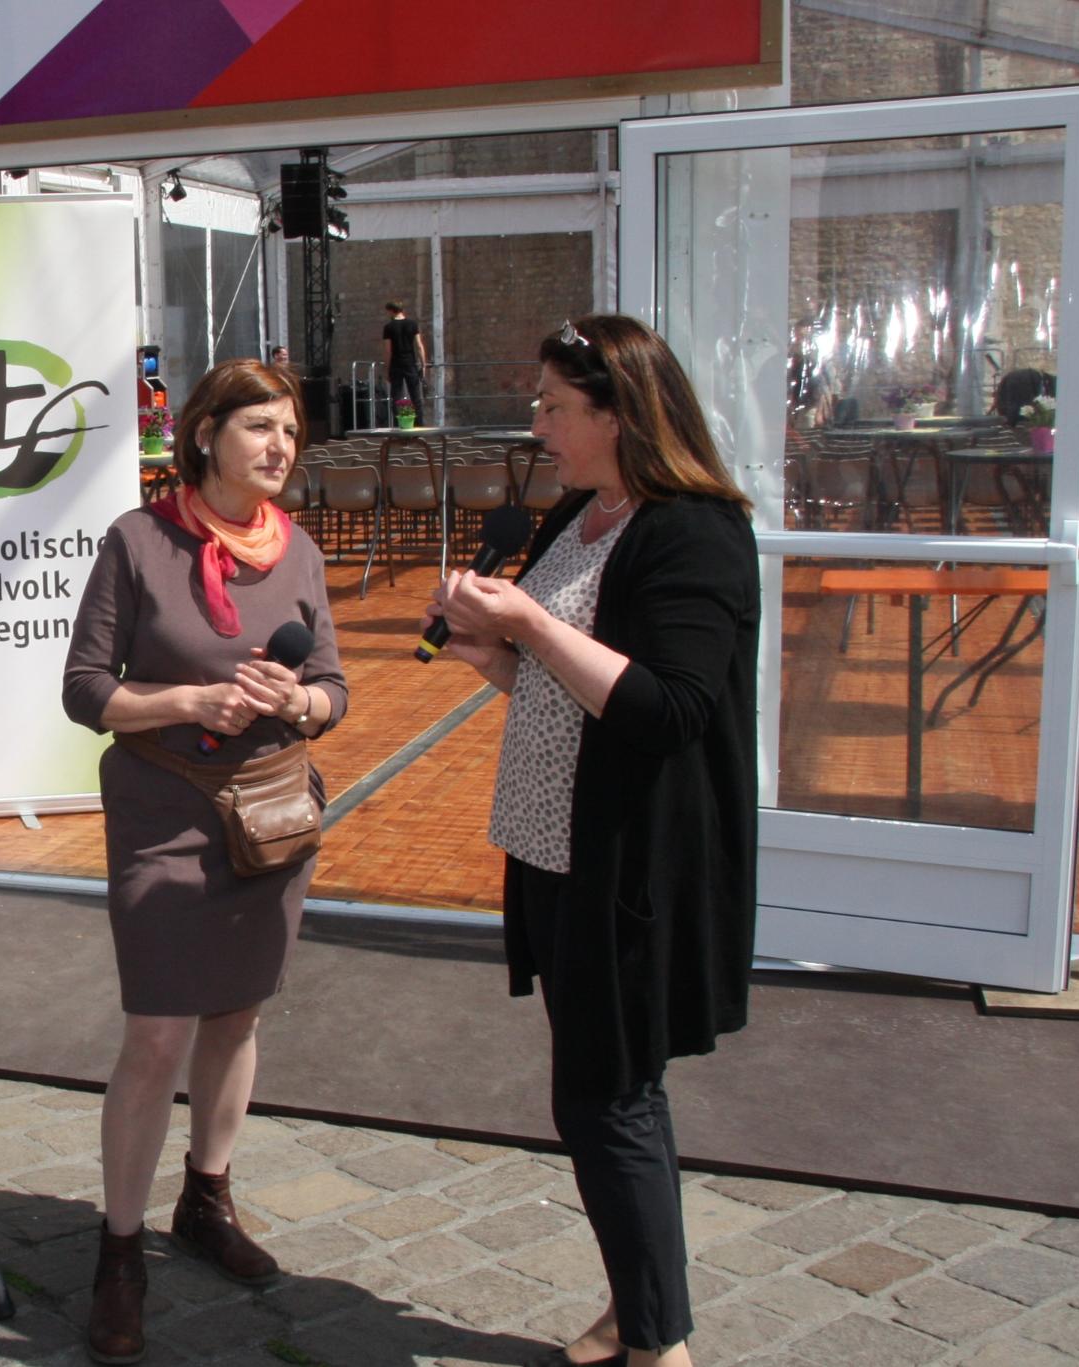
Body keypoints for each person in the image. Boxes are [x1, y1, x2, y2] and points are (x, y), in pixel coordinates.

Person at [425, 315, 758, 1367]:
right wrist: (493, 651)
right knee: (608, 1090)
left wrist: (527, 621)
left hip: (631, 862)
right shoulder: (578, 512)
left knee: (607, 1095)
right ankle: (636, 1309)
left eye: (555, 406)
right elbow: (564, 693)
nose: (537, 423)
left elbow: (667, 709)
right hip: (554, 846)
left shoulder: (693, 530)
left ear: (621, 413)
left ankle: (660, 1344)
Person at [62, 359, 348, 1364]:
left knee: (237, 1012)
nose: (279, 447)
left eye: (291, 433)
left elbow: (333, 687)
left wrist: (296, 703)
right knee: (155, 1035)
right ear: (205, 432)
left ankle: (208, 1198)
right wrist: (189, 700)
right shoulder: (137, 542)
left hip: (267, 815)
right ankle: (119, 1249)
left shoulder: (300, 549)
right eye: (260, 427)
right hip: (163, 814)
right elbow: (86, 689)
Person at [381, 301, 427, 421]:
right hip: (410, 363)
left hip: (396, 364)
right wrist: (424, 365)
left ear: (391, 311)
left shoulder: (388, 327)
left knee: (396, 396)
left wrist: (386, 369)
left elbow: (388, 350)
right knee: (416, 396)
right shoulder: (412, 324)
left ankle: (400, 425)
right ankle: (419, 424)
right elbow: (419, 346)